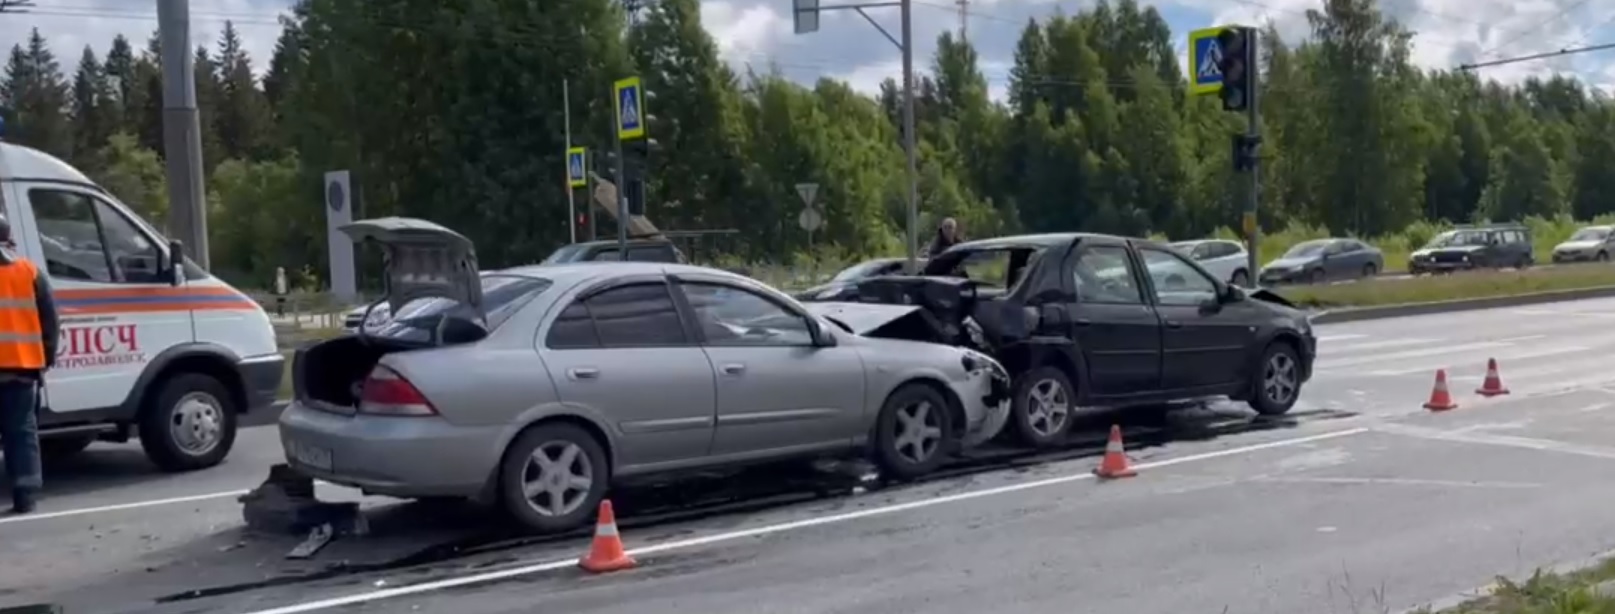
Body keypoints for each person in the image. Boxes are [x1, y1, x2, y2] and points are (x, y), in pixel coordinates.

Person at [0, 215, 59, 514]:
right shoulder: (30, 273)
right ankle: (25, 493)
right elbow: (50, 323)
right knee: (21, 432)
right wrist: (46, 359)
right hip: (22, 368)